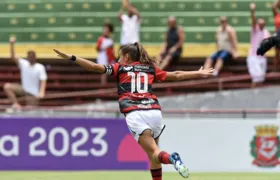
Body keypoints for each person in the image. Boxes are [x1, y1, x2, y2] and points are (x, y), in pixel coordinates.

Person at [53, 42, 214, 180]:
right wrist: (198, 73)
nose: (118, 59)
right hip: (154, 112)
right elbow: (176, 75)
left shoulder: (120, 68)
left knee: (154, 152)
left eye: (119, 56)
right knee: (153, 154)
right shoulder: (149, 69)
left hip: (135, 112)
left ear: (127, 57)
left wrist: (72, 58)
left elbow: (95, 67)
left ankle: (172, 158)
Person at [3, 37, 47, 112]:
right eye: (29, 55)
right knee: (7, 87)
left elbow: (43, 80)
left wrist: (41, 92)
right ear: (27, 56)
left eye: (32, 55)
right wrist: (11, 44)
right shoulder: (24, 63)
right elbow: (13, 57)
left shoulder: (40, 67)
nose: (30, 57)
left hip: (33, 93)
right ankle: (15, 104)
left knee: (31, 112)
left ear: (35, 57)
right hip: (23, 89)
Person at [247, 3, 270, 88]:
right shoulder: (255, 30)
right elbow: (253, 20)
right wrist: (252, 11)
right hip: (254, 57)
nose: (260, 24)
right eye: (259, 23)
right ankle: (252, 95)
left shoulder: (266, 32)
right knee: (256, 79)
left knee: (261, 80)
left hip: (262, 58)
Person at [272, 0, 280, 71]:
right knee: (276, 54)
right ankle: (275, 69)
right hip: (278, 35)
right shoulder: (277, 15)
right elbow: (273, 6)